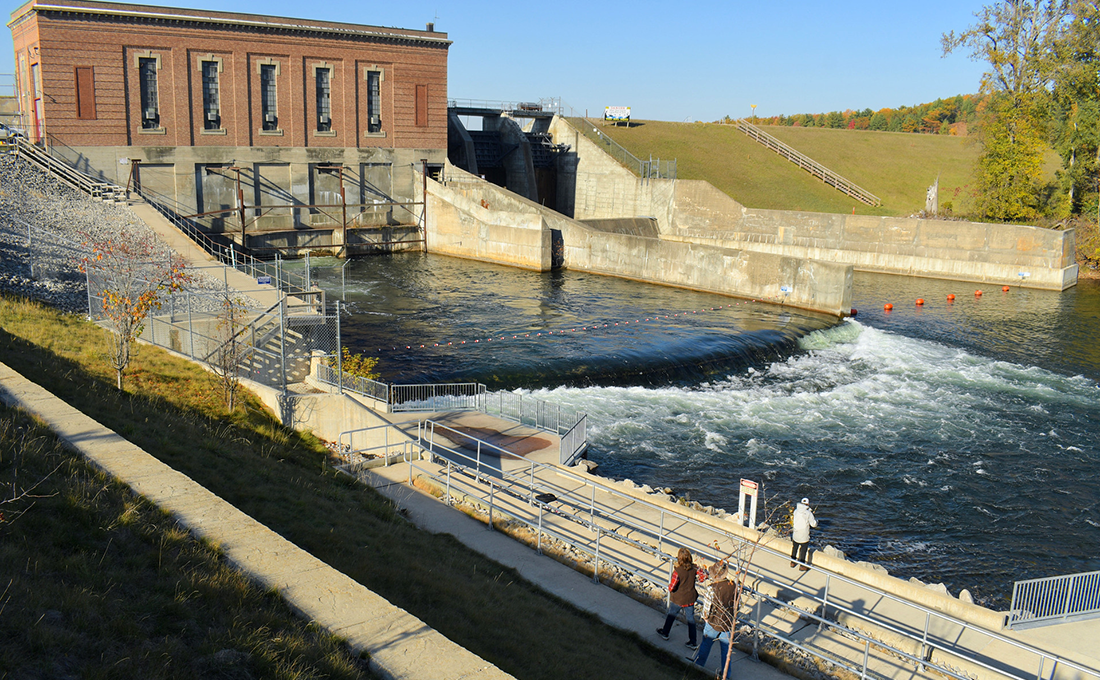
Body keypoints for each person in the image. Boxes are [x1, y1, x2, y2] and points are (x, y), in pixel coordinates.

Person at [689, 560, 738, 668]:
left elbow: (707, 607)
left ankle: (698, 665)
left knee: (705, 646)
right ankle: (726, 674)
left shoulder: (712, 588)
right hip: (728, 623)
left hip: (713, 622)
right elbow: (738, 604)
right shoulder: (733, 586)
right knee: (726, 652)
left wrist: (705, 618)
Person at [656, 547, 706, 649]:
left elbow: (672, 587)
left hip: (678, 598)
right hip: (690, 598)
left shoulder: (677, 571)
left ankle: (665, 633)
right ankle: (693, 641)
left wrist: (670, 588)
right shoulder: (695, 568)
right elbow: (703, 576)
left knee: (671, 615)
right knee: (691, 619)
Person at [790, 497, 817, 571]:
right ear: (808, 504)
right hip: (804, 535)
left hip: (795, 533)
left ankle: (792, 562)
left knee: (794, 548)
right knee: (803, 550)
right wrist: (816, 521)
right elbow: (813, 524)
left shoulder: (796, 511)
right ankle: (802, 565)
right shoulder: (809, 513)